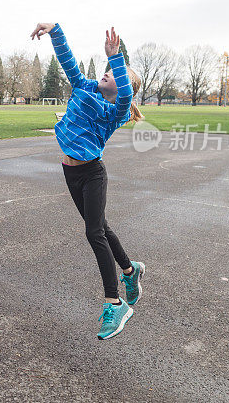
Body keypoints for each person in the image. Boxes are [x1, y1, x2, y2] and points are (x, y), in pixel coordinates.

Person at [31, 22, 145, 340]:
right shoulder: (82, 87)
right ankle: (129, 270)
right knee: (102, 228)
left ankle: (114, 302)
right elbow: (68, 59)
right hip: (71, 172)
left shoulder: (117, 111)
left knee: (94, 232)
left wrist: (116, 56)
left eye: (115, 73)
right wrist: (54, 30)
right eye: (108, 69)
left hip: (92, 173)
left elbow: (124, 92)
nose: (108, 71)